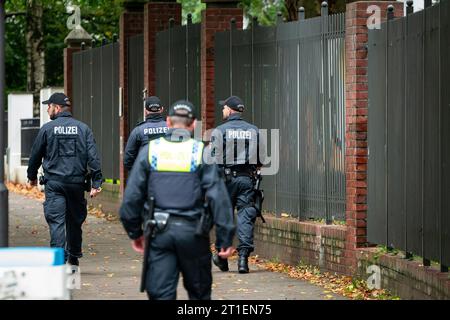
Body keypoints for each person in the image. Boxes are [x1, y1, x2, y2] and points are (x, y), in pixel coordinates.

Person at [120, 100, 235, 300]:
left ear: (168, 123)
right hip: (194, 234)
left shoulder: (151, 152)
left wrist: (135, 233)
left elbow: (131, 199)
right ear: (192, 125)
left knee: (161, 294)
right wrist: (225, 239)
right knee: (199, 294)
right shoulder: (201, 152)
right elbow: (218, 196)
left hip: (159, 234)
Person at [27, 92, 103, 268]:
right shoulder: (83, 129)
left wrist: (31, 177)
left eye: (49, 106)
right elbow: (93, 157)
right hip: (76, 184)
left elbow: (35, 155)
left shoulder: (47, 129)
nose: (47, 109)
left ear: (57, 108)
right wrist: (96, 182)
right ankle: (74, 256)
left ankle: (59, 261)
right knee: (75, 221)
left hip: (54, 184)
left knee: (57, 221)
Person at [210, 95, 264, 274]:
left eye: (224, 108)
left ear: (230, 110)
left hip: (225, 180)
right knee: (246, 215)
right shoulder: (254, 130)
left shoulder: (220, 130)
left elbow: (213, 158)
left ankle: (222, 257)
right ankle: (243, 260)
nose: (222, 110)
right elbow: (261, 158)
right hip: (247, 179)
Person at [124, 96, 168, 171]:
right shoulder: (172, 128)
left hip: (146, 176)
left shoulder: (138, 131)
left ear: (145, 111)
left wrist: (139, 172)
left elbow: (128, 160)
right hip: (168, 176)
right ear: (162, 110)